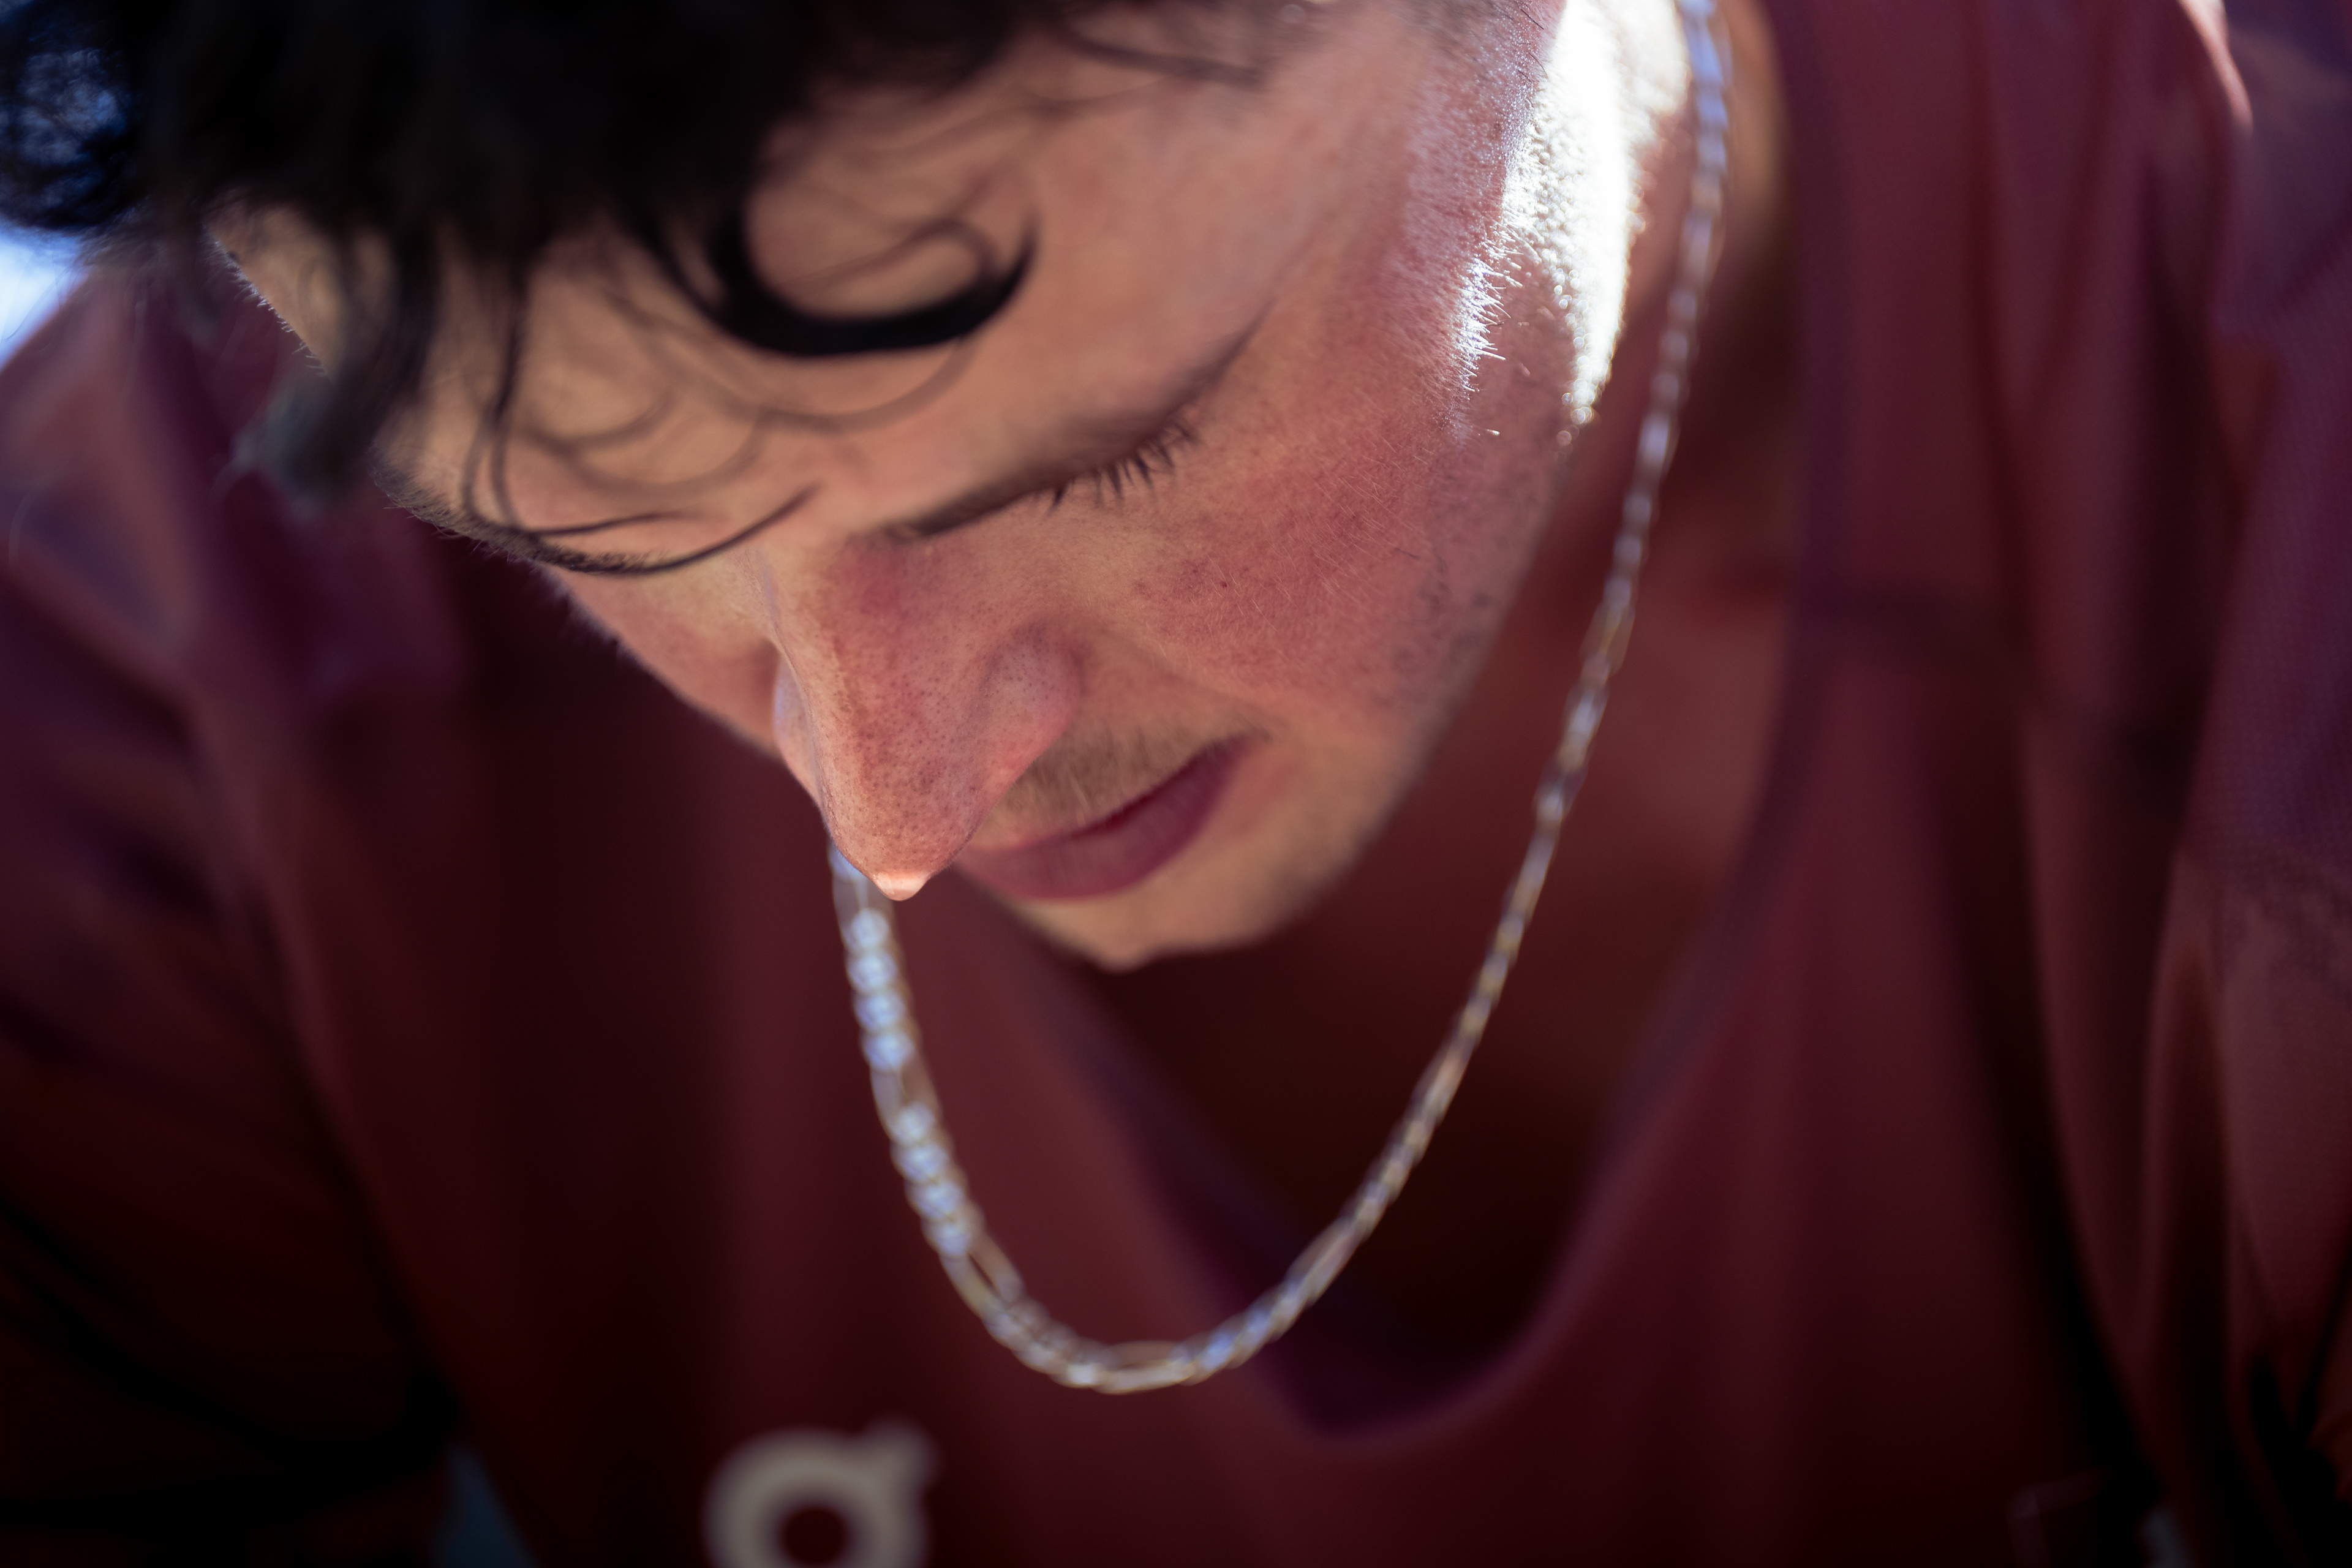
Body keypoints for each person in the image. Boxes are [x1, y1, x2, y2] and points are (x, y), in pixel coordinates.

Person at [0, 0, 2345, 1561]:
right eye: (589, 540)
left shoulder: (2276, 485)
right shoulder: (157, 649)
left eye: (1110, 447)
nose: (892, 802)